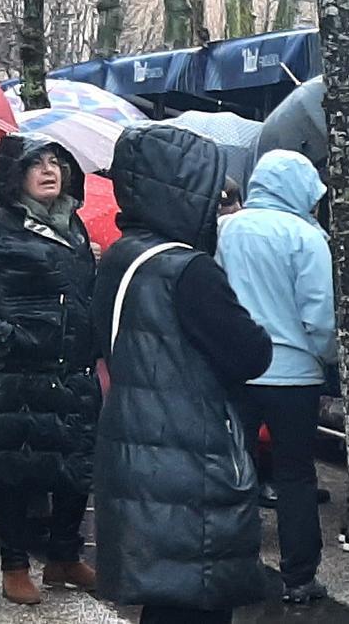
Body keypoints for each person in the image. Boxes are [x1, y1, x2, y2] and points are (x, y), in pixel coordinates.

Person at [92, 124, 273, 624]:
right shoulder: (188, 270)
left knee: (167, 591)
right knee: (198, 593)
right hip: (190, 455)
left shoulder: (123, 256)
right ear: (181, 188)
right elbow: (251, 353)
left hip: (139, 441)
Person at [0, 133, 100, 605]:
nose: (50, 171)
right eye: (38, 164)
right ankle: (14, 563)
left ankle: (63, 556)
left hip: (71, 368)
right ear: (16, 176)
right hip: (14, 374)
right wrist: (5, 338)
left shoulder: (73, 226)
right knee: (14, 468)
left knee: (75, 463)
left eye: (56, 162)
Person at [216, 149, 335, 605]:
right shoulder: (307, 238)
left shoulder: (229, 229)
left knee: (234, 469)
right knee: (296, 477)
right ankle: (299, 576)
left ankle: (234, 558)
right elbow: (320, 315)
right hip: (295, 375)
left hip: (238, 370)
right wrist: (327, 358)